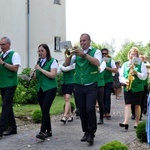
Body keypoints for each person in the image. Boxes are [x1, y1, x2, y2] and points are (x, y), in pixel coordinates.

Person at [65, 33, 102, 145]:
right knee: (81, 110)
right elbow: (67, 64)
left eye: (84, 40)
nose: (82, 43)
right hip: (78, 85)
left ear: (89, 41)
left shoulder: (96, 51)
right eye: (81, 41)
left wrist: (84, 55)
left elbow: (97, 62)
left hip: (91, 85)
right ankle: (86, 132)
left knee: (90, 108)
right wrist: (69, 54)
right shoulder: (76, 53)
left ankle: (91, 133)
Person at [32, 43, 58, 140]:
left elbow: (52, 75)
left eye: (42, 51)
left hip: (50, 88)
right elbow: (36, 77)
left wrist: (40, 69)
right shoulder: (38, 62)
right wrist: (33, 73)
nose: (40, 53)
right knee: (44, 110)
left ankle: (42, 131)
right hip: (40, 88)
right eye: (39, 51)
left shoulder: (53, 61)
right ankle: (49, 131)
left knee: (46, 108)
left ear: (47, 51)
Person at [119, 47, 147, 129]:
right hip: (128, 87)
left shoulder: (141, 64)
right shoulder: (125, 64)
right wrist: (125, 81)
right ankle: (125, 122)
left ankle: (137, 122)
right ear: (129, 55)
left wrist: (137, 73)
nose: (133, 55)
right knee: (127, 104)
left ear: (137, 55)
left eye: (134, 54)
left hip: (138, 87)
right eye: (131, 54)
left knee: (137, 105)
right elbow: (121, 76)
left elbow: (144, 76)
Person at [0, 37, 21, 139]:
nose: (1, 46)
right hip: (3, 83)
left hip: (11, 83)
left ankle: (0, 130)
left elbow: (15, 68)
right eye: (0, 45)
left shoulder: (14, 54)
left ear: (9, 44)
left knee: (5, 106)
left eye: (3, 44)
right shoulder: (1, 55)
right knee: (8, 106)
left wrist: (3, 63)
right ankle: (13, 128)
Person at [101, 48, 117, 119]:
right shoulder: (99, 60)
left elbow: (115, 70)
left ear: (107, 54)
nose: (104, 55)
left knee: (107, 96)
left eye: (105, 53)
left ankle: (107, 112)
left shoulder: (111, 61)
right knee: (101, 97)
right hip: (100, 81)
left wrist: (107, 68)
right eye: (103, 54)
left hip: (108, 81)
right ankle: (103, 112)